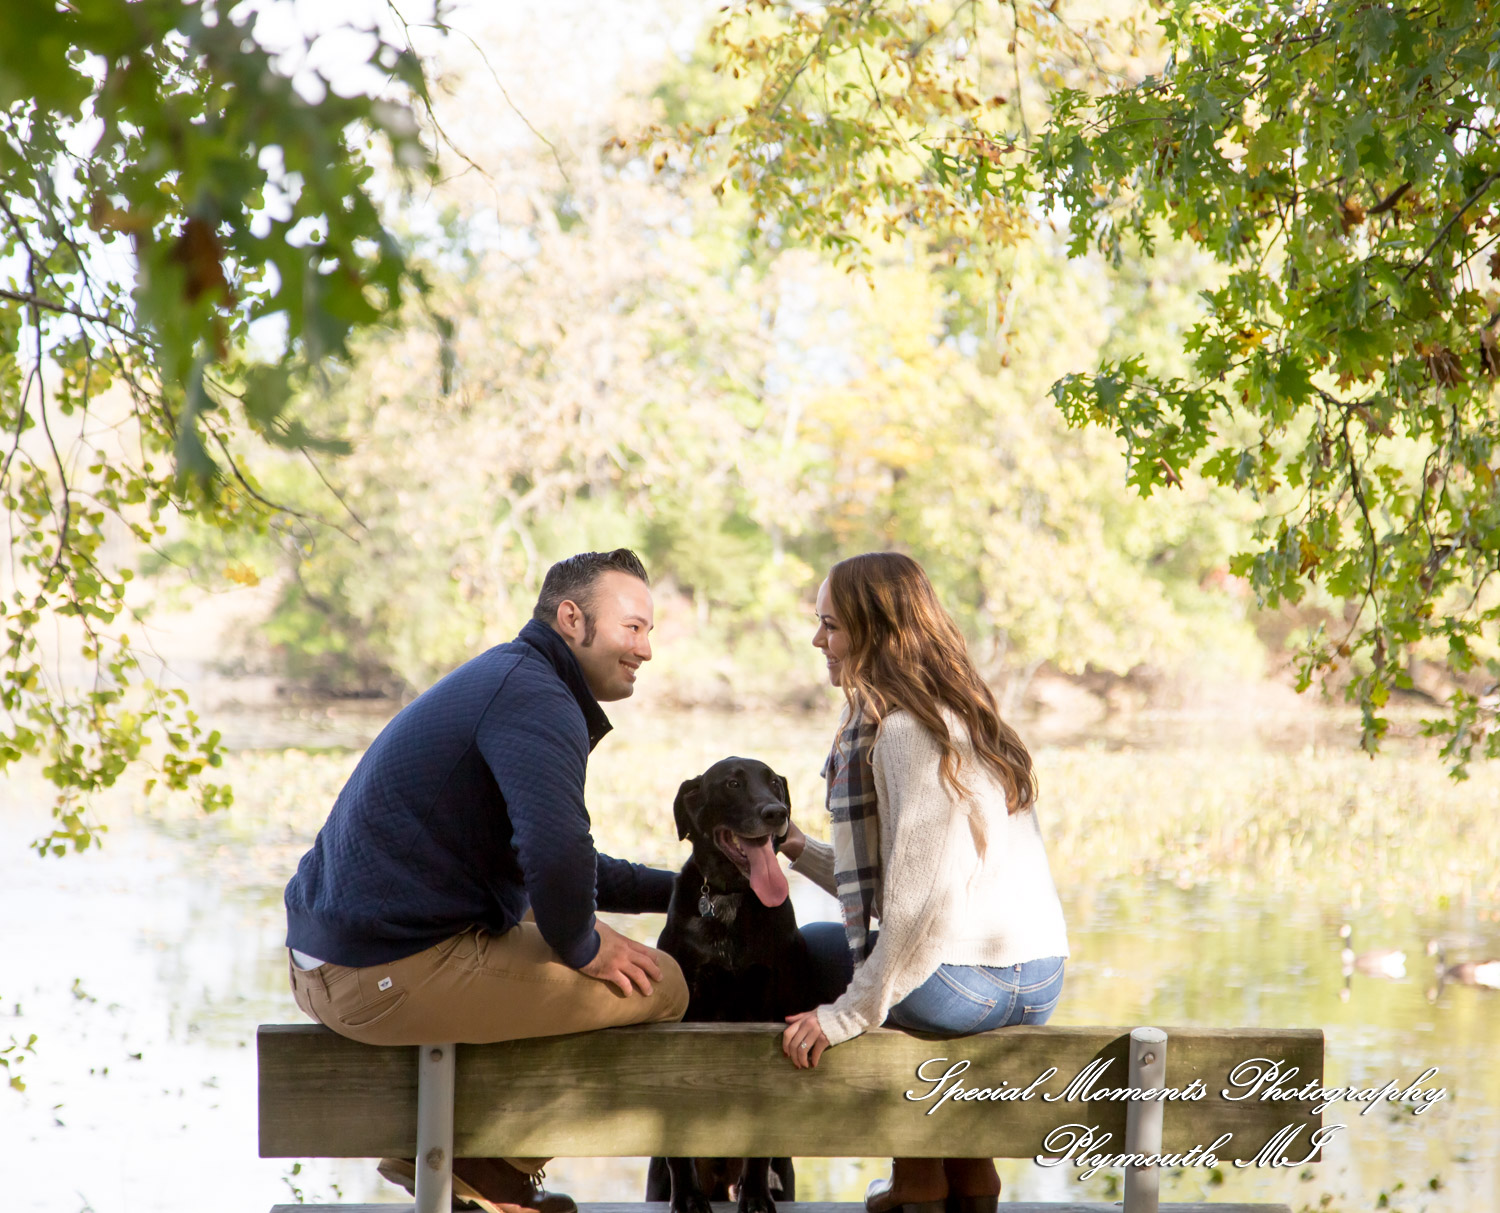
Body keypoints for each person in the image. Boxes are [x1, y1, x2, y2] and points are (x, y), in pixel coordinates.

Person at [282, 549, 690, 1213]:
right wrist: (583, 946)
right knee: (661, 982)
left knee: (538, 917)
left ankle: (462, 1149)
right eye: (632, 627)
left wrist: (681, 890)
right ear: (571, 618)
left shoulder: (510, 676)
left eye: (649, 631)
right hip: (378, 974)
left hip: (334, 959)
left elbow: (552, 864)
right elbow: (556, 853)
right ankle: (492, 1162)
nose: (645, 649)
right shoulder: (539, 697)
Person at [776, 552, 1069, 1213]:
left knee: (820, 947)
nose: (818, 639)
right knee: (880, 957)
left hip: (971, 983)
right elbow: (911, 883)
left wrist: (847, 1014)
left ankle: (917, 1175)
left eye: (830, 624)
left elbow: (920, 911)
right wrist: (797, 847)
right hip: (1039, 975)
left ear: (876, 631)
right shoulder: (966, 717)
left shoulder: (906, 733)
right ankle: (970, 1172)